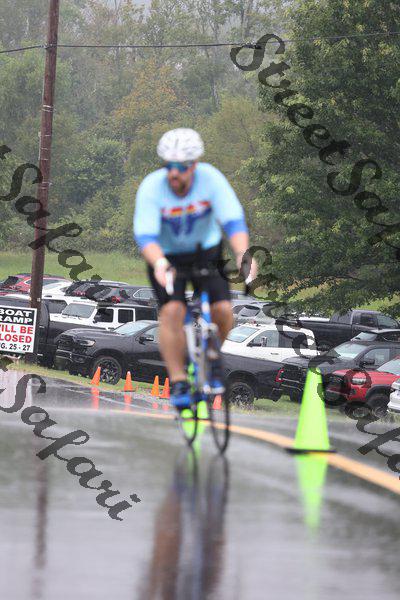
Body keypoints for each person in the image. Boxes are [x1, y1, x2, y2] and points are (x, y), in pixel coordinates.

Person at [133, 128, 256, 408]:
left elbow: (233, 221)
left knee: (223, 310)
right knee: (172, 312)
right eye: (169, 166)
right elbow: (146, 236)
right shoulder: (152, 187)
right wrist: (159, 263)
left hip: (205, 254)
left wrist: (242, 253)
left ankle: (211, 356)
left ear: (194, 165)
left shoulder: (211, 179)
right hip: (165, 257)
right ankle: (178, 381)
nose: (174, 173)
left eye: (181, 167)